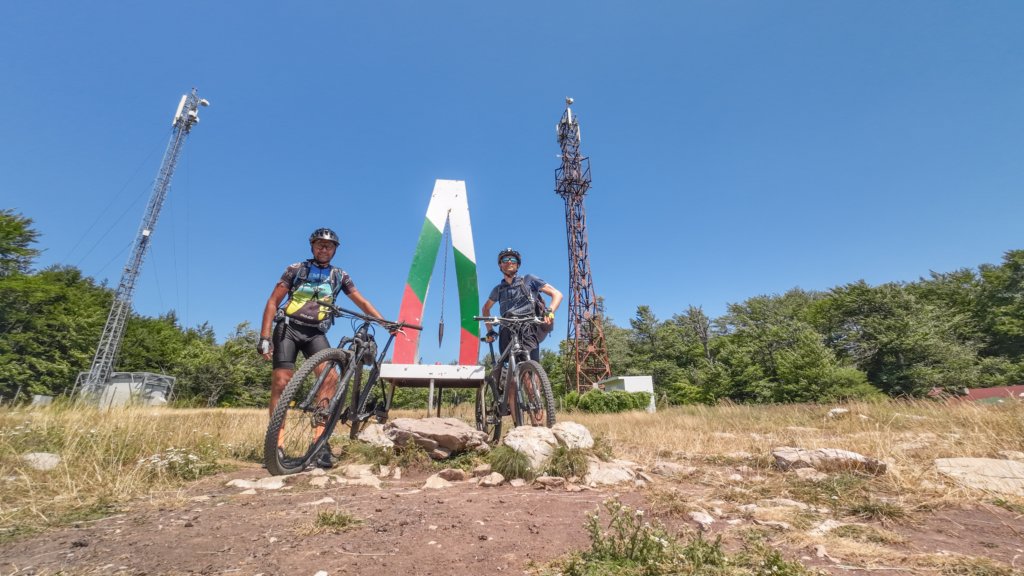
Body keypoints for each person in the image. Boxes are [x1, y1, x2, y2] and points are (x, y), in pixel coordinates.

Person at [258, 227, 385, 468]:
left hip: (315, 332)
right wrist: (265, 336)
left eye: (329, 246)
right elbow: (273, 301)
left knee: (329, 378)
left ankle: (319, 444)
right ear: (312, 247)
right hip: (288, 329)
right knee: (281, 382)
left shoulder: (340, 275)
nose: (324, 249)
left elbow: (361, 301)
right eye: (319, 245)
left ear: (335, 250)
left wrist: (385, 323)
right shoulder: (296, 269)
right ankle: (276, 445)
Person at [480, 248, 563, 363]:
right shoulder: (498, 290)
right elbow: (485, 309)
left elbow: (557, 294)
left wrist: (549, 311)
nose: (509, 261)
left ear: (517, 265)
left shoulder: (529, 280)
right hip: (506, 329)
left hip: (528, 328)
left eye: (513, 260)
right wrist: (490, 330)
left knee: (531, 367)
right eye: (505, 259)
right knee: (508, 366)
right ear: (500, 265)